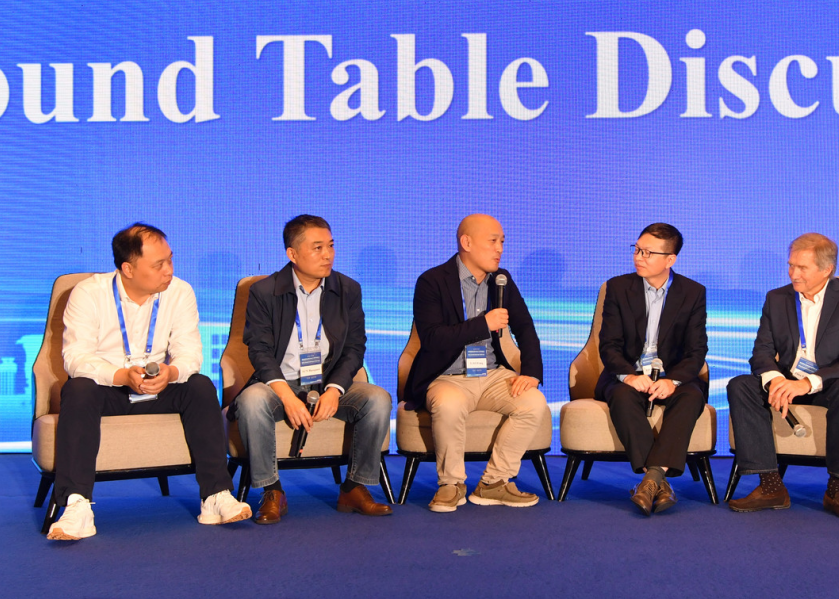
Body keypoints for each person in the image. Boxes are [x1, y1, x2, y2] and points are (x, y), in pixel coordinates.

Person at [48, 223, 250, 540]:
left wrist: (171, 373)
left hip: (159, 386)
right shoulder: (89, 294)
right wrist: (121, 376)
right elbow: (76, 358)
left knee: (200, 385)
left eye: (170, 260)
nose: (169, 270)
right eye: (159, 264)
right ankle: (77, 505)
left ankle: (216, 495)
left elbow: (189, 353)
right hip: (110, 388)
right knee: (77, 388)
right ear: (128, 269)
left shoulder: (180, 292)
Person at [230, 215, 393, 524]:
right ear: (292, 254)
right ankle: (272, 491)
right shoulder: (265, 291)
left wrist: (335, 389)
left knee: (377, 399)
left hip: (328, 382)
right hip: (281, 384)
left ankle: (354, 488)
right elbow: (259, 350)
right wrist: (287, 397)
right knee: (251, 401)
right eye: (318, 248)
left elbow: (354, 348)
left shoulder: (347, 289)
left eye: (330, 246)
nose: (328, 255)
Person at [405, 214, 548, 512]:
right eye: (493, 241)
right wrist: (484, 324)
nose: (500, 249)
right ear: (466, 242)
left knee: (533, 402)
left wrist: (532, 373)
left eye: (502, 242)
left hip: (492, 374)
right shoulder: (432, 281)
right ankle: (451, 484)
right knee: (449, 404)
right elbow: (432, 338)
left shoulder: (501, 280)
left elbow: (525, 328)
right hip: (446, 376)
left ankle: (494, 482)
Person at [726, 233, 839, 519]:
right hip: (787, 379)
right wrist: (775, 379)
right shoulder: (777, 298)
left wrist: (807, 383)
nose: (793, 274)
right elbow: (761, 352)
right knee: (740, 385)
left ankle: (837, 489)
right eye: (791, 265)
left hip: (832, 382)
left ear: (827, 269)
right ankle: (770, 486)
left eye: (802, 268)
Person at [595, 223, 708, 516]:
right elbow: (609, 345)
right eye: (637, 249)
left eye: (647, 253)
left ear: (670, 259)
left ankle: (650, 481)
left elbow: (696, 351)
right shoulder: (618, 287)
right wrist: (629, 376)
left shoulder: (693, 292)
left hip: (671, 376)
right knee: (621, 396)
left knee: (691, 396)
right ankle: (659, 482)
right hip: (627, 375)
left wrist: (674, 381)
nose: (638, 257)